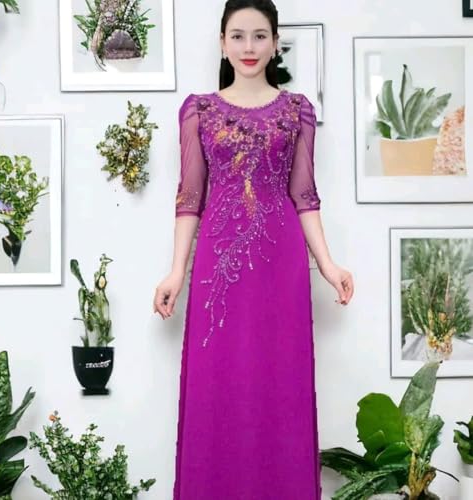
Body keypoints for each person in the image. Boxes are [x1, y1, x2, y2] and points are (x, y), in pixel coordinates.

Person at [154, 0, 354, 498]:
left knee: (279, 380)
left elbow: (304, 195)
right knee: (217, 382)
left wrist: (328, 264)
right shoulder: (198, 110)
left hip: (280, 264)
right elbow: (189, 197)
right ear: (222, 43)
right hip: (218, 267)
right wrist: (176, 271)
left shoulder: (297, 111)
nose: (249, 47)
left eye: (260, 36)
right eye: (238, 36)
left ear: (275, 43)